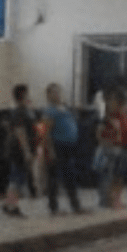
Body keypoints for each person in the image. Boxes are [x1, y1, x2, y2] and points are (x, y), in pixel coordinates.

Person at [42, 83, 84, 215]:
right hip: (57, 146)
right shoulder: (49, 111)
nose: (57, 95)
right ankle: (54, 208)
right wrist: (50, 150)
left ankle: (75, 205)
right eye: (54, 93)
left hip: (69, 146)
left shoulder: (65, 108)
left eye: (58, 92)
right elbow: (46, 133)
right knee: (54, 177)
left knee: (70, 175)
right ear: (48, 95)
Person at [95, 87, 127, 209]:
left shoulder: (124, 114)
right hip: (113, 148)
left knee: (119, 176)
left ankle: (116, 200)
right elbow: (99, 133)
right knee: (109, 176)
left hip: (124, 147)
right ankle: (107, 200)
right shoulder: (107, 116)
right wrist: (105, 143)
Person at [2, 84, 35, 218]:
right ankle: (13, 206)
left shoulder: (22, 111)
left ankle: (8, 204)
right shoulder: (20, 112)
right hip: (19, 149)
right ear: (24, 95)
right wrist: (27, 151)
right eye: (28, 94)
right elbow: (20, 132)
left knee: (16, 177)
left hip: (18, 148)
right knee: (17, 178)